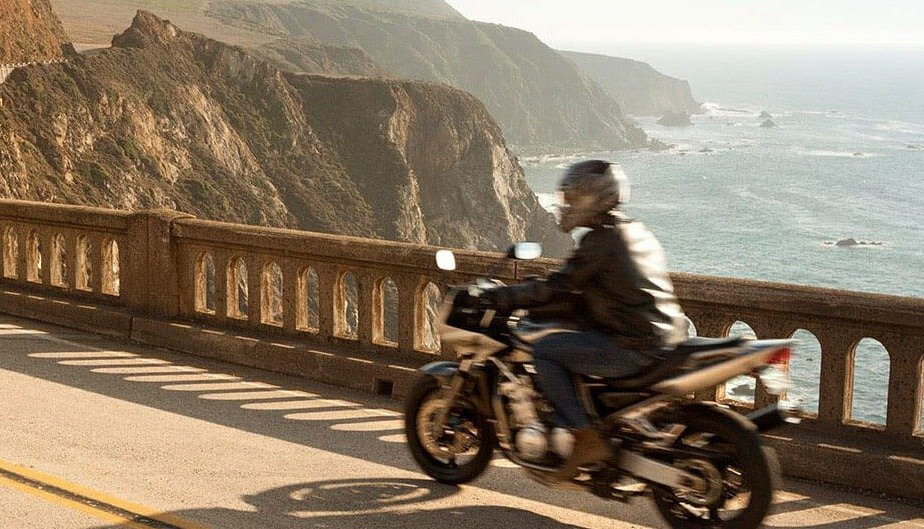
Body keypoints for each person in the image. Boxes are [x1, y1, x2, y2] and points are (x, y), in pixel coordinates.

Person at [481, 160, 688, 479]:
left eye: (573, 198)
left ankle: (584, 435)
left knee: (546, 351)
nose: (566, 205)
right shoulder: (632, 230)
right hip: (664, 337)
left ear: (595, 199)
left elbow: (561, 286)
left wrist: (504, 296)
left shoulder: (601, 241)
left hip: (633, 346)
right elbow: (593, 289)